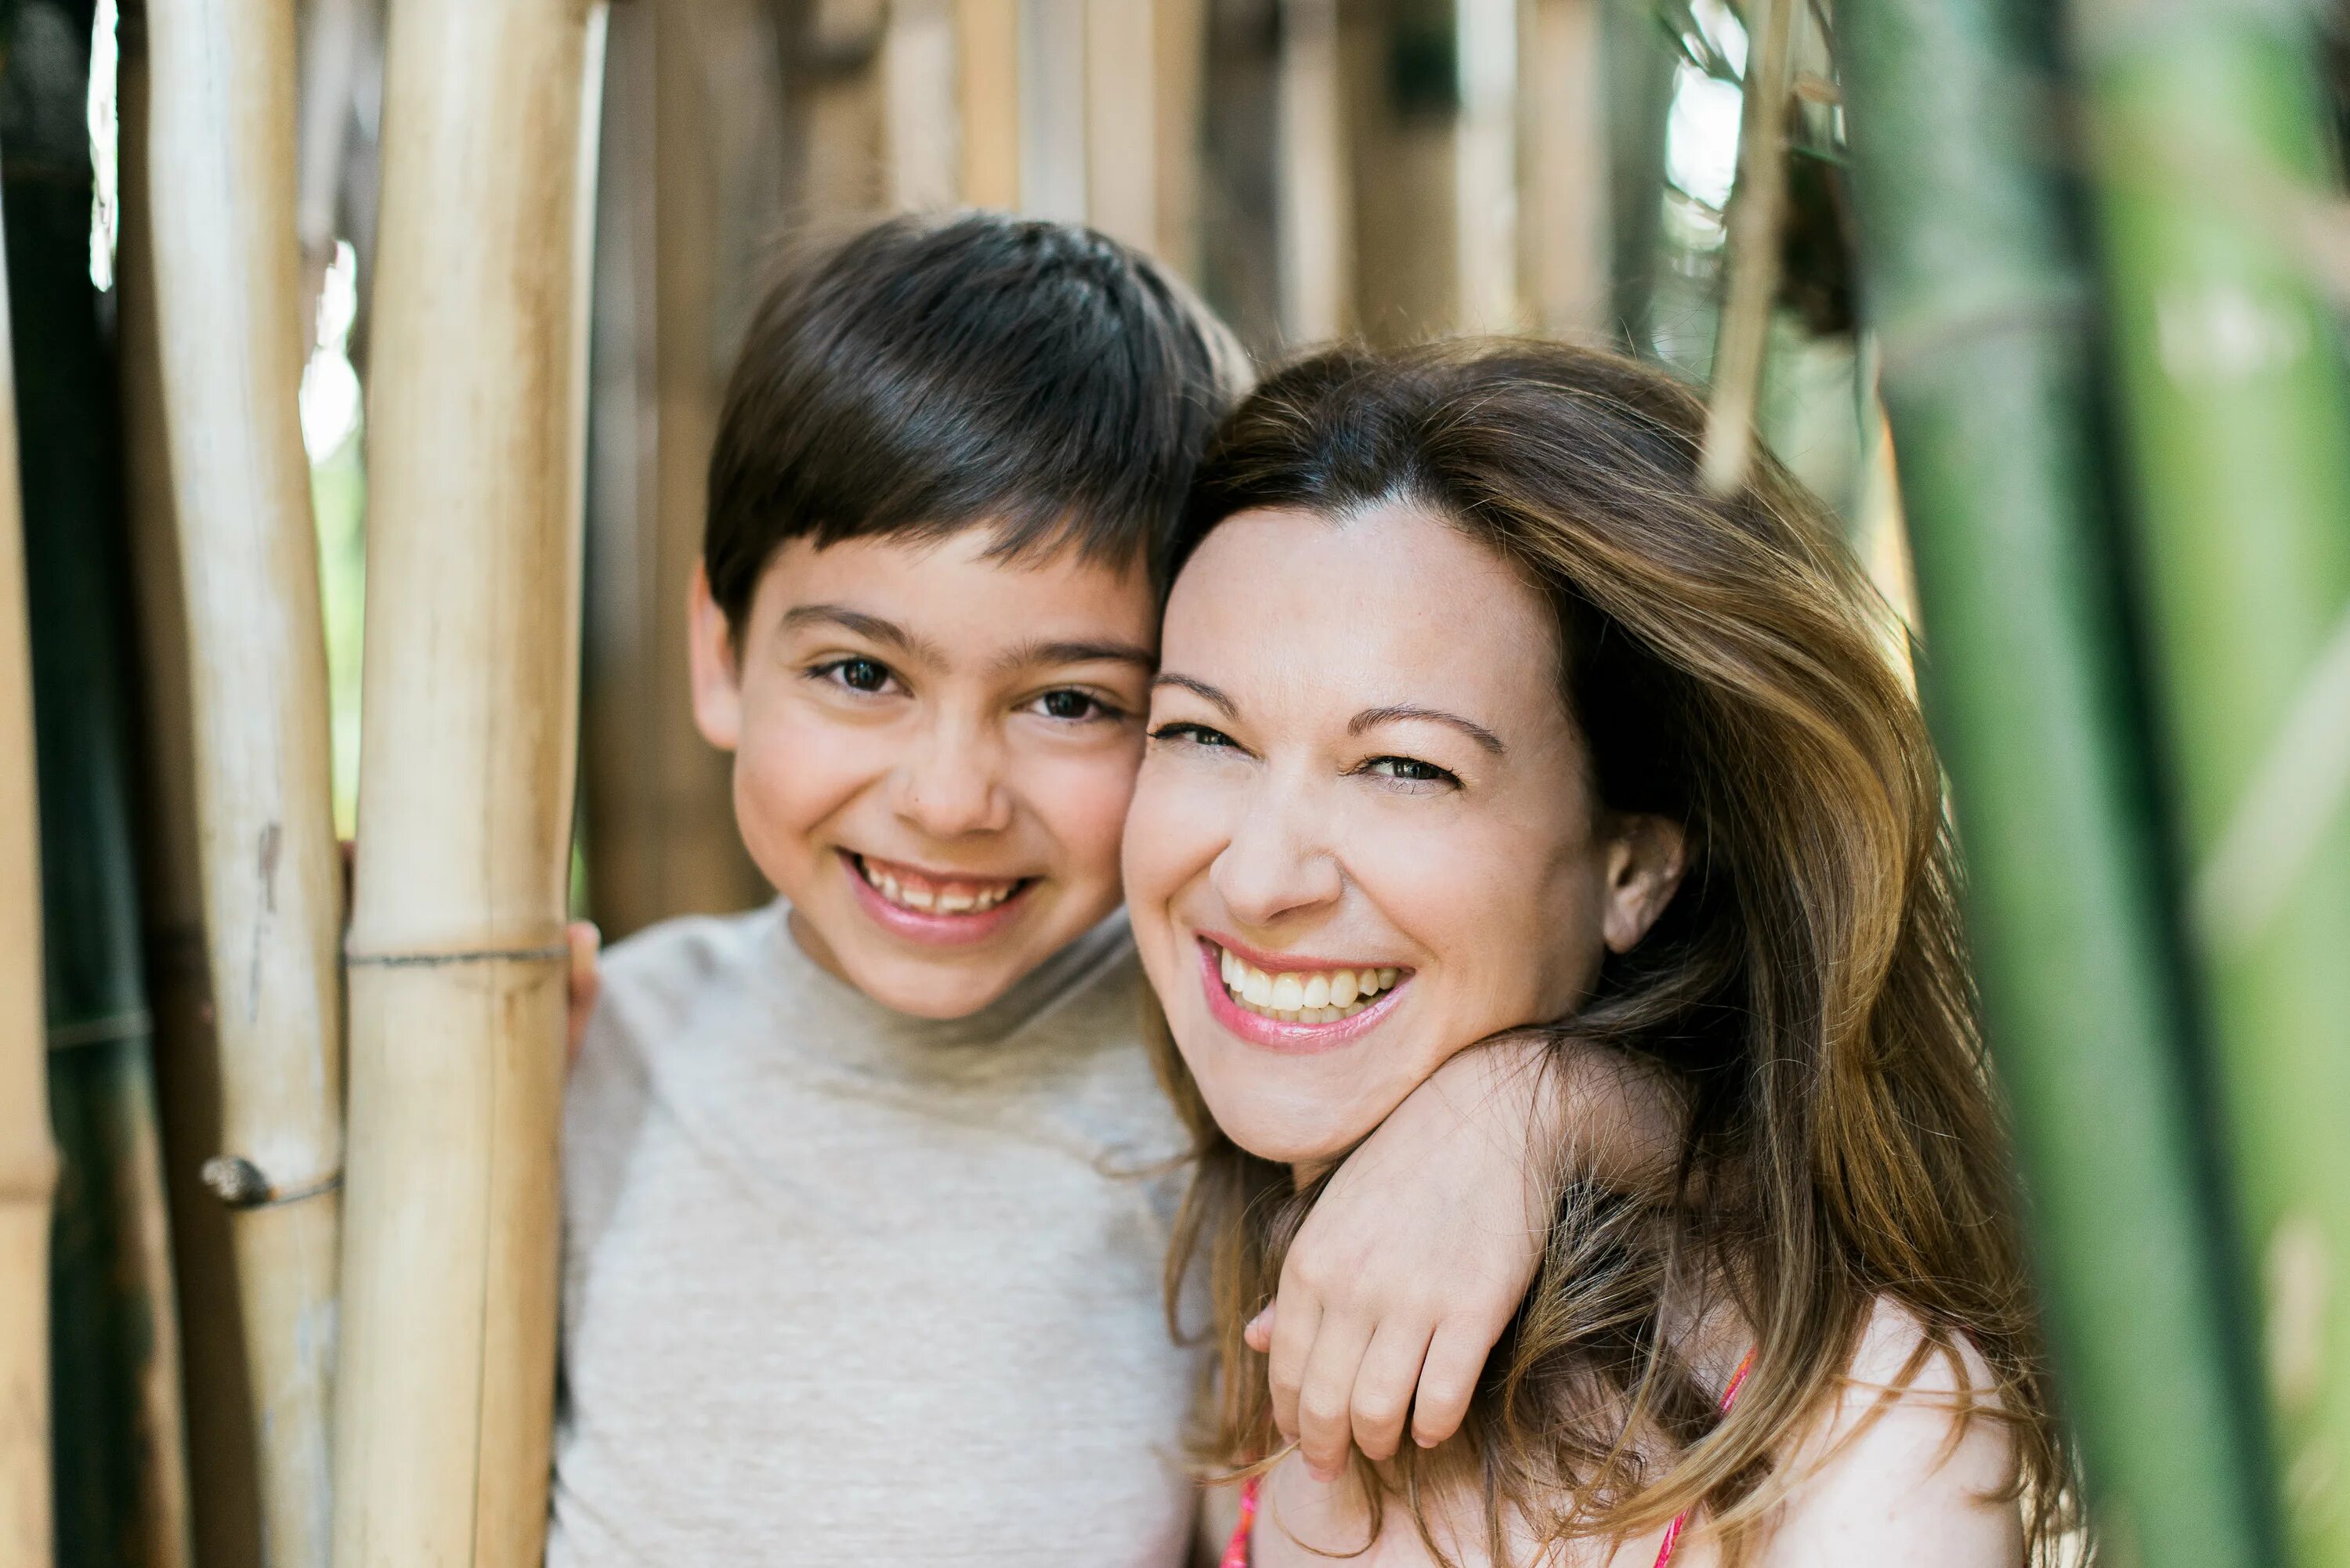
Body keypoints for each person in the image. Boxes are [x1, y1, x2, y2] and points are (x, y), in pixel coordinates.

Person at [549, 216, 1665, 1566]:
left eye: (1070, 701)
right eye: (861, 674)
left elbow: (1731, 1136)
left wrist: (1531, 1117)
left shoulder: (1230, 1047)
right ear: (722, 654)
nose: (951, 796)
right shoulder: (598, 1047)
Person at [1125, 341, 2081, 1566]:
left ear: (1631, 869)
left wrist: (1535, 1107)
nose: (1258, 879)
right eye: (1203, 733)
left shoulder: (1866, 1420)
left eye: (1406, 767)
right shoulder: (1223, 1290)